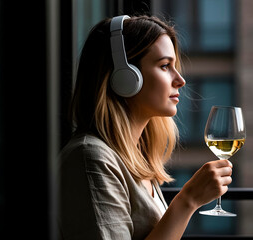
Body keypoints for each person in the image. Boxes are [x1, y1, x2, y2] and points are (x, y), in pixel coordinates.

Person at [58, 14, 233, 240]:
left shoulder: (134, 157)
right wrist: (188, 200)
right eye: (164, 66)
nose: (180, 80)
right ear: (126, 78)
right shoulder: (91, 158)